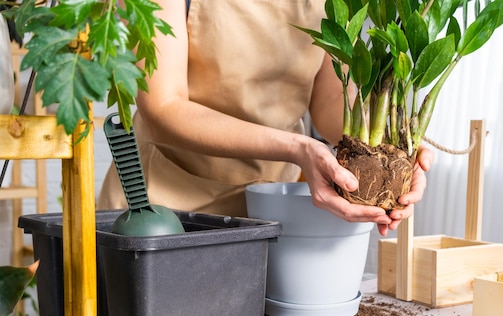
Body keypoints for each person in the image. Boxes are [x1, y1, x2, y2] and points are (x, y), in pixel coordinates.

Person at [97, 0, 433, 236]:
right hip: (161, 209)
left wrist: (393, 152)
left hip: (271, 210)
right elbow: (163, 108)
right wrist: (297, 148)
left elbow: (331, 103)